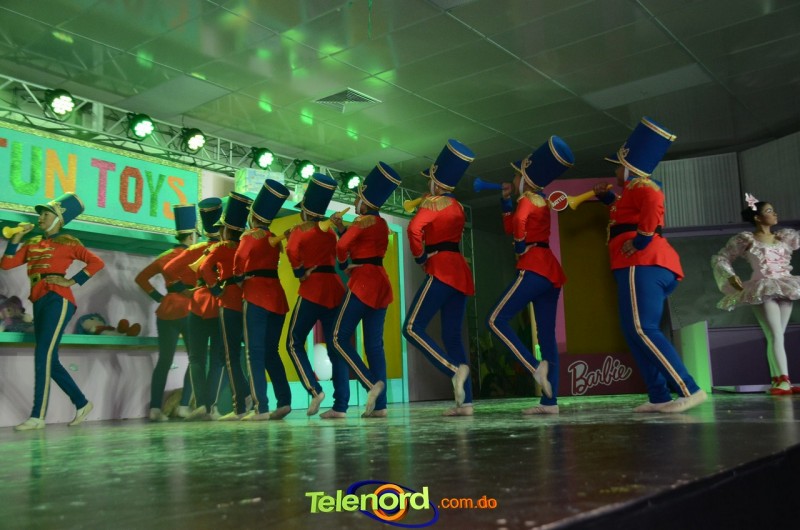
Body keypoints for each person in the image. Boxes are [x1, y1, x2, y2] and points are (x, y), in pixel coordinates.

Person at [593, 117, 707, 413]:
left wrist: (641, 240)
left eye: (618, 166)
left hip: (642, 263)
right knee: (634, 332)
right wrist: (607, 198)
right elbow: (625, 214)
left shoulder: (642, 185)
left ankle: (690, 389)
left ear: (629, 167)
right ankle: (659, 396)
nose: (615, 171)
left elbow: (653, 202)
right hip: (636, 265)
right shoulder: (630, 191)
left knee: (642, 328)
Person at [487, 136, 573, 415]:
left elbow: (518, 224)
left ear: (525, 178)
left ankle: (534, 367)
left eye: (516, 174)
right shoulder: (541, 201)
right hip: (550, 270)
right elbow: (512, 224)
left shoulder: (526, 201)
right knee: (546, 337)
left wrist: (519, 246)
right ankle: (550, 402)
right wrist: (505, 201)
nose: (513, 179)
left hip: (533, 266)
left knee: (495, 320)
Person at [2, 192, 103, 430]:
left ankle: (38, 416)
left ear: (58, 219)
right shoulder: (33, 243)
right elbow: (6, 264)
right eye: (41, 214)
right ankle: (82, 403)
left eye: (46, 214)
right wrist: (15, 239)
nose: (40, 218)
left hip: (59, 299)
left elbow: (97, 262)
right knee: (49, 359)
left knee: (42, 355)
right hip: (39, 299)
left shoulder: (69, 242)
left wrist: (72, 281)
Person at [402, 139, 476, 417]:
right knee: (452, 336)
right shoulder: (458, 206)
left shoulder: (433, 203)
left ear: (436, 182)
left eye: (429, 180)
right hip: (459, 271)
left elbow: (413, 229)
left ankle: (453, 369)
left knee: (411, 328)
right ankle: (465, 403)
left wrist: (420, 257)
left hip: (441, 268)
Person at [330, 162, 402, 418]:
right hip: (381, 281)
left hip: (363, 282)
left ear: (365, 201)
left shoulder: (362, 221)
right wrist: (342, 229)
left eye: (357, 197)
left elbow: (343, 247)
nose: (354, 202)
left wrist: (343, 264)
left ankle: (371, 383)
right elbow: (363, 245)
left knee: (338, 338)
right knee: (374, 345)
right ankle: (380, 406)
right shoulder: (381, 223)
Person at [711, 195, 800, 395]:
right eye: (769, 211)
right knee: (775, 334)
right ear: (758, 218)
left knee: (776, 335)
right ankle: (783, 380)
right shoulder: (747, 239)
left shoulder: (785, 237)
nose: (774, 213)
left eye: (773, 210)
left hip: (785, 285)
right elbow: (721, 257)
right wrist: (730, 275)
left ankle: (779, 380)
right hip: (763, 288)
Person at [285, 173, 348, 418]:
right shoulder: (330, 232)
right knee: (336, 347)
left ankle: (314, 390)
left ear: (305, 211)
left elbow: (292, 251)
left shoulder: (299, 230)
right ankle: (341, 406)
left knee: (293, 342)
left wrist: (300, 272)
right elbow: (341, 253)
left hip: (312, 288)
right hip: (334, 288)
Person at [233, 179, 293, 421]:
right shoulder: (273, 237)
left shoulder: (249, 236)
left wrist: (239, 278)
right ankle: (284, 401)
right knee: (272, 352)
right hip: (277, 297)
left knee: (254, 354)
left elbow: (239, 261)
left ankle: (261, 408)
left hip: (256, 295)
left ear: (253, 216)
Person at [163, 197, 224, 420]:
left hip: (197, 305)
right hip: (220, 305)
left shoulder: (197, 248)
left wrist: (186, 289)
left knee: (197, 359)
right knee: (217, 360)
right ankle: (211, 407)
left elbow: (169, 269)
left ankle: (200, 404)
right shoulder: (227, 248)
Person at [135, 204, 198, 421]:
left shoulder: (165, 256)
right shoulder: (194, 255)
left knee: (164, 360)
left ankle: (154, 408)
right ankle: (183, 405)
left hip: (166, 310)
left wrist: (159, 297)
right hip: (189, 309)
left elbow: (141, 278)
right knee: (197, 359)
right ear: (191, 236)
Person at [200, 192, 253, 419]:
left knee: (230, 356)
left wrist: (215, 289)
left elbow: (204, 268)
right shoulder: (247, 245)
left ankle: (240, 405)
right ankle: (254, 398)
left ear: (226, 230)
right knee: (250, 354)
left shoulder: (221, 248)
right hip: (248, 300)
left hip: (229, 301)